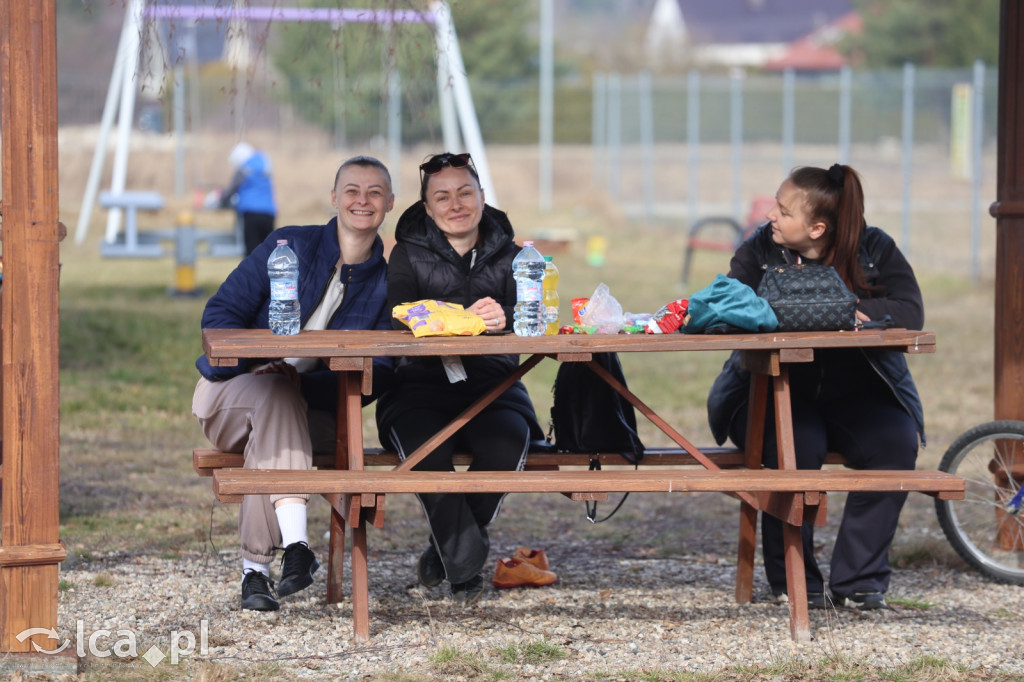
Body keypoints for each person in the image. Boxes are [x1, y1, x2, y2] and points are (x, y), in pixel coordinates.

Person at [706, 164, 925, 611]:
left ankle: (860, 581)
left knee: (895, 444)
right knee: (797, 447)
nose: (771, 215)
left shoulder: (874, 247)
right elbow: (728, 304)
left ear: (817, 227)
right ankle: (794, 579)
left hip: (857, 394)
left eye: (783, 210)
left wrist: (842, 308)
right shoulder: (760, 249)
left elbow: (909, 311)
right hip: (771, 392)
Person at [192, 156, 396, 612]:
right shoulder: (287, 246)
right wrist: (257, 363)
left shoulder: (386, 280)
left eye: (374, 192)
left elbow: (380, 370)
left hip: (313, 412)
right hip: (230, 394)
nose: (362, 200)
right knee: (275, 395)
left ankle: (255, 576)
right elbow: (219, 316)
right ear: (334, 198)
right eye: (351, 190)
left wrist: (304, 387)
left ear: (389, 204)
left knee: (280, 410)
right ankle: (298, 545)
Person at [375, 151, 544, 605]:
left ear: (483, 198)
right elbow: (399, 316)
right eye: (442, 197)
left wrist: (504, 315)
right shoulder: (406, 254)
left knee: (507, 446)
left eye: (465, 192)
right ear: (427, 208)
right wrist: (460, 319)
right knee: (427, 456)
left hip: (495, 387)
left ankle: (443, 551)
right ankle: (465, 564)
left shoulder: (516, 256)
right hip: (417, 387)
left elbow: (536, 318)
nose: (456, 204)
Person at [218, 142, 278, 256]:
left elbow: (232, 189)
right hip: (269, 214)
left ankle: (252, 274)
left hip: (251, 215)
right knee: (268, 253)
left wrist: (220, 200)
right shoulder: (265, 165)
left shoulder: (243, 169)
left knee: (252, 252)